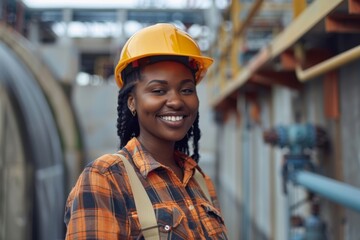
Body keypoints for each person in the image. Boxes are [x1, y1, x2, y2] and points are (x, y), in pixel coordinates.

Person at [64, 23, 228, 239]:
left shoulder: (200, 180)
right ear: (132, 102)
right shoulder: (105, 180)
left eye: (186, 90)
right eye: (159, 90)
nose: (177, 101)